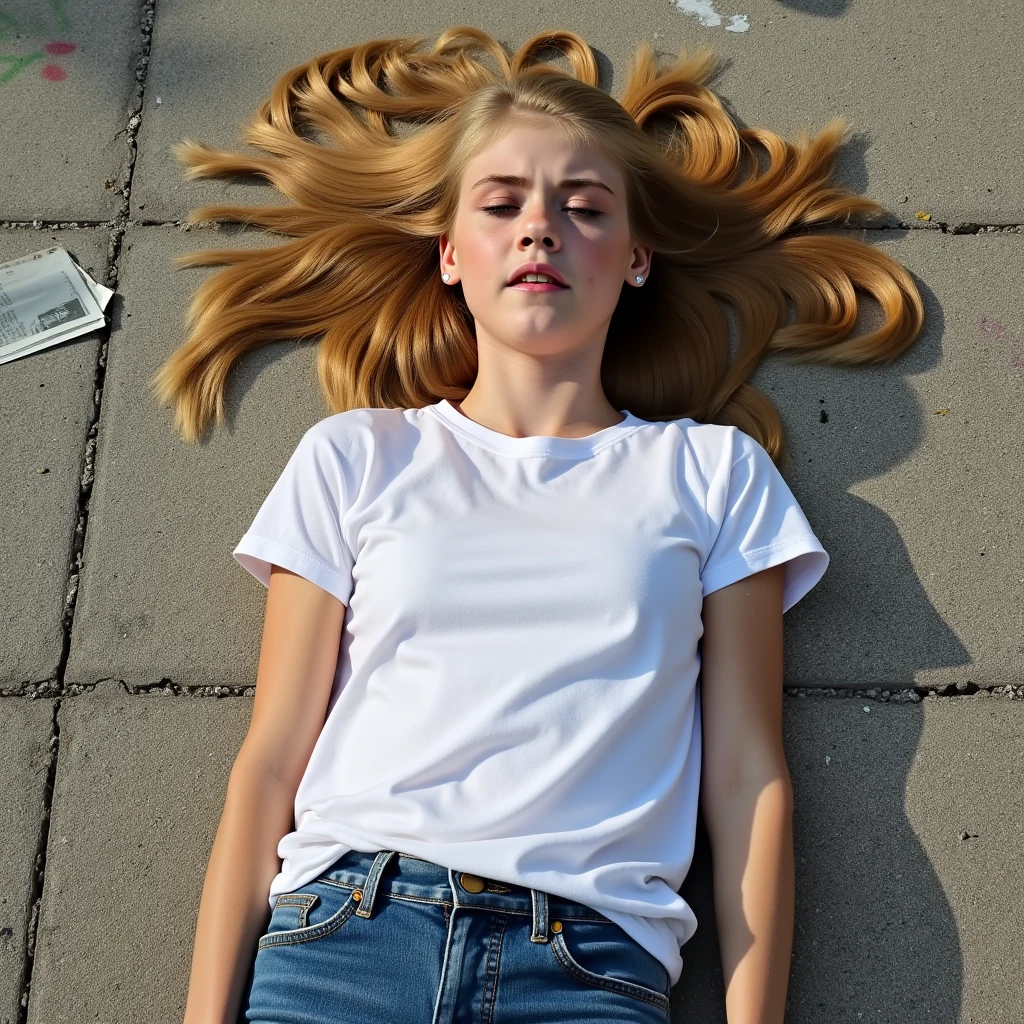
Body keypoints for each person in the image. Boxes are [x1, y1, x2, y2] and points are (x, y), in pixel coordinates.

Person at [153, 26, 924, 1024]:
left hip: (588, 965)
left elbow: (746, 775)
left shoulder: (711, 471)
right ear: (450, 254)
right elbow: (269, 760)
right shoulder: (356, 456)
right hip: (346, 935)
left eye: (584, 206)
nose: (539, 228)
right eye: (502, 203)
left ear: (637, 258)